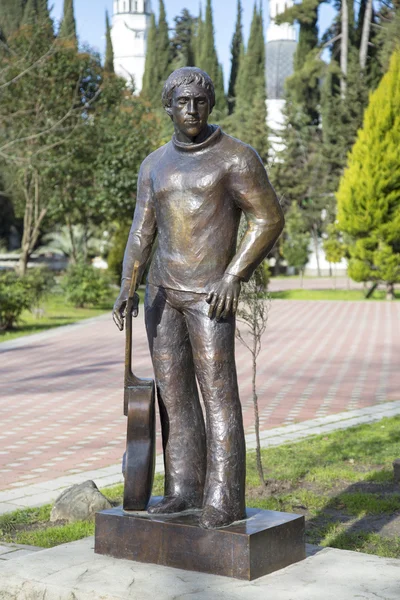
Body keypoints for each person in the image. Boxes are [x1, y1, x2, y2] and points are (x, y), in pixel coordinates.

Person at [113, 67, 284, 529]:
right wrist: (128, 285)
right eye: (182, 102)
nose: (192, 110)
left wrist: (234, 275)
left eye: (200, 102)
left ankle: (224, 500)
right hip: (161, 296)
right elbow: (141, 229)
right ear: (168, 106)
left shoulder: (235, 158)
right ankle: (184, 490)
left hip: (211, 297)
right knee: (174, 397)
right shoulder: (154, 164)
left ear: (210, 105)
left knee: (219, 395)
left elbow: (268, 219)